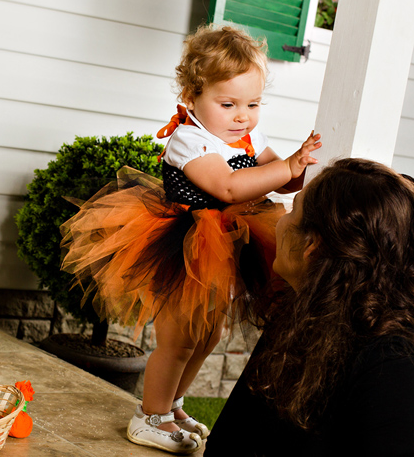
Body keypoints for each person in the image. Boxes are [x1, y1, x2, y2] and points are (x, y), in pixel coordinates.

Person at [59, 24, 321, 454]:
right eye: (228, 103)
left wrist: (302, 169)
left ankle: (173, 406)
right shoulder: (189, 140)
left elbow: (278, 179)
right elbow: (229, 188)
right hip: (185, 245)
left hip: (230, 243)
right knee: (179, 337)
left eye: (253, 104)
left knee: (208, 335)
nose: (243, 115)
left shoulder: (250, 135)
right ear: (192, 97)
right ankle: (149, 416)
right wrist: (287, 166)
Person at [204, 158, 414, 456]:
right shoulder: (301, 317)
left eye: (293, 208)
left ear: (311, 246)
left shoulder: (392, 365)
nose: (280, 217)